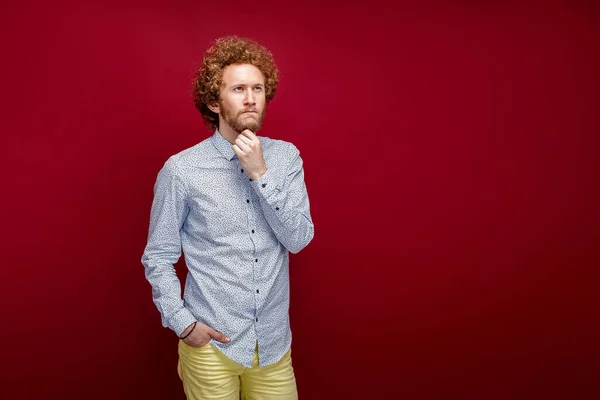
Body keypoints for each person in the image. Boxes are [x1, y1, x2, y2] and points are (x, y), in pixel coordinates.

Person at [141, 36, 314, 399]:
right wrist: (184, 324)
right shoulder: (182, 170)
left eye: (258, 88)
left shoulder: (285, 159)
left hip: (272, 347)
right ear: (213, 101)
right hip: (212, 349)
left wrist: (260, 175)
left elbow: (299, 239)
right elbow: (158, 256)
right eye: (238, 89)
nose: (251, 97)